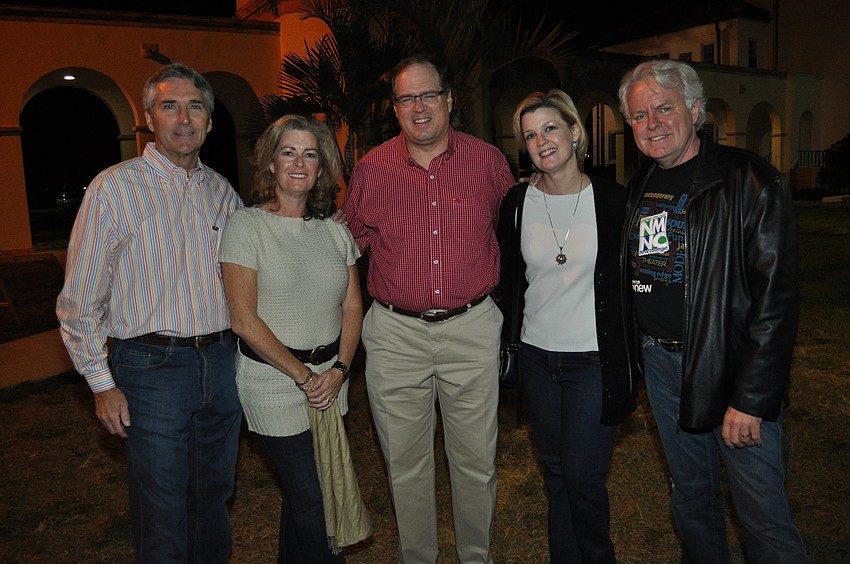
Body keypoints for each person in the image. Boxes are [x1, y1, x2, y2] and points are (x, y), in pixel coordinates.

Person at [618, 59, 809, 563]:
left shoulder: (748, 179)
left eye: (664, 108)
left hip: (730, 369)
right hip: (662, 366)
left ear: (696, 110)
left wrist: (751, 398)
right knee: (692, 498)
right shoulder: (640, 186)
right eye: (639, 115)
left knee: (762, 516)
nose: (652, 123)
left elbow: (777, 301)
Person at [56, 63, 243, 562]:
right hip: (150, 370)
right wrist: (100, 382)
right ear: (149, 119)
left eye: (195, 106)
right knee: (161, 508)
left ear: (209, 120)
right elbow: (80, 298)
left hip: (222, 364)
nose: (183, 118)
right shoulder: (113, 188)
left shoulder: (223, 193)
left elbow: (251, 275)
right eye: (169, 106)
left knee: (212, 501)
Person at [341, 53, 515, 563]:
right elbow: (343, 246)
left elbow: (520, 232)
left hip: (472, 329)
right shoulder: (372, 169)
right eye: (406, 98)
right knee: (405, 464)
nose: (418, 107)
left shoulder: (488, 163)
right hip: (396, 336)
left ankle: (475, 558)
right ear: (395, 108)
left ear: (449, 100)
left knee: (476, 462)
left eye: (428, 95)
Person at [497, 89, 639, 563]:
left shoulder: (615, 201)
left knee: (582, 475)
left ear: (576, 133)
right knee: (557, 474)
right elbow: (511, 281)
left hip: (593, 362)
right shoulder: (516, 204)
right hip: (537, 360)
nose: (541, 141)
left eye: (551, 128)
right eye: (531, 134)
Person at [219, 114, 362, 563]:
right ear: (271, 163)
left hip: (329, 382)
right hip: (275, 383)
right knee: (317, 501)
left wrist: (339, 370)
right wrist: (305, 377)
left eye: (310, 154)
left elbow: (353, 306)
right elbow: (243, 320)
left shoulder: (335, 231)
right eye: (288, 152)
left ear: (322, 168)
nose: (299, 163)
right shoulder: (246, 226)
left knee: (305, 496)